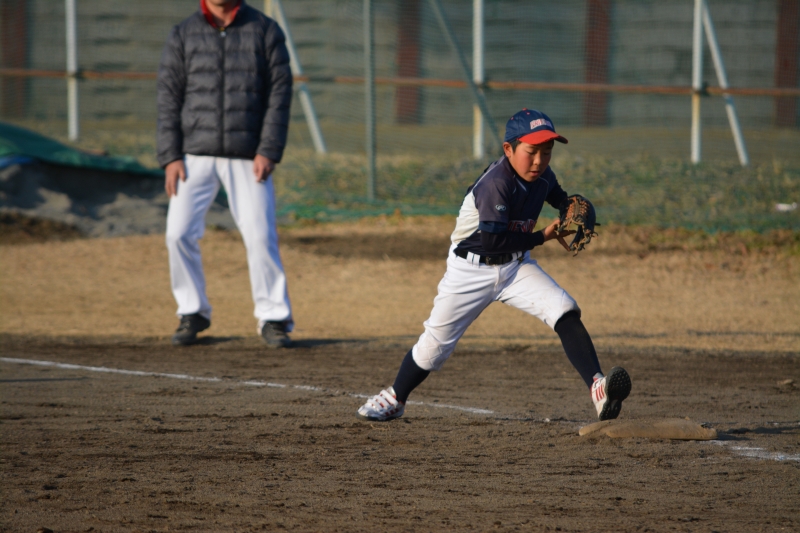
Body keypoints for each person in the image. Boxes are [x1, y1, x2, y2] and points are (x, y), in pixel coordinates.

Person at [357, 109, 631, 422]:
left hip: (515, 267)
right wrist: (542, 236)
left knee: (563, 308)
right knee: (434, 347)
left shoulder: (543, 175)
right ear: (508, 149)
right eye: (531, 151)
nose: (539, 161)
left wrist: (571, 207)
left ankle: (598, 388)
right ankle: (395, 398)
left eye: (547, 152)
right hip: (470, 270)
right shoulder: (496, 184)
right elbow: (492, 243)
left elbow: (558, 196)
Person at [157, 0, 294, 348]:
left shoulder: (264, 30)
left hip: (248, 154)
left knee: (260, 236)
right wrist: (170, 155)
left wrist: (268, 149)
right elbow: (169, 96)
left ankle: (274, 317)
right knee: (177, 234)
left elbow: (280, 93)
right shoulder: (183, 33)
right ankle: (192, 311)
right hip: (193, 154)